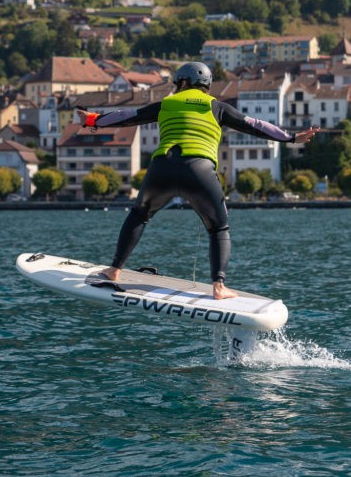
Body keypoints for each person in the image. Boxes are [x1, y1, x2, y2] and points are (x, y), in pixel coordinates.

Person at [77, 61, 318, 299]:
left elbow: (127, 116)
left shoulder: (166, 103)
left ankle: (113, 270)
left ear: (182, 83)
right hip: (199, 171)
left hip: (162, 168)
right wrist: (292, 137)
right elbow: (254, 125)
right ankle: (219, 287)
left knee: (139, 215)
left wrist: (93, 120)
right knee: (218, 227)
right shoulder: (217, 107)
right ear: (206, 85)